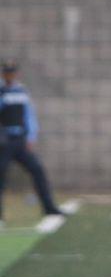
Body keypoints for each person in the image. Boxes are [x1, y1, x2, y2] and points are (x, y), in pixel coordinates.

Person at [0, 60, 62, 227]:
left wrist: (31, 136)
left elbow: (29, 115)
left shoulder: (21, 91)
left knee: (37, 169)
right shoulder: (1, 91)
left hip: (20, 140)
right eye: (7, 72)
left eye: (12, 72)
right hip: (4, 142)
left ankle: (50, 208)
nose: (9, 75)